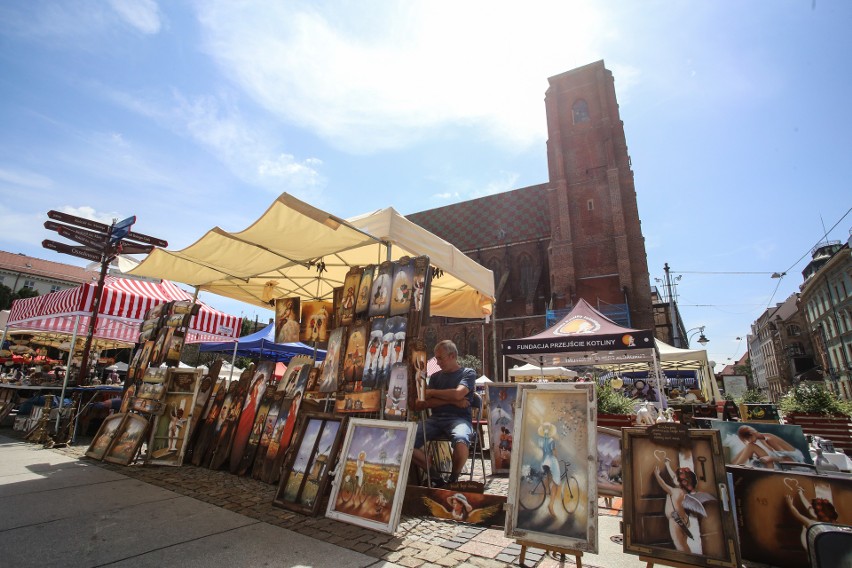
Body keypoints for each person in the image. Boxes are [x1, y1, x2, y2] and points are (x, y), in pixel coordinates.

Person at [411, 340, 475, 486]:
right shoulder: (435, 377)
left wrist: (432, 392)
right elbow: (425, 403)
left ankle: (453, 479)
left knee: (461, 441)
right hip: (435, 420)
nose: (437, 362)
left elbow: (458, 394)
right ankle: (435, 476)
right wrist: (453, 401)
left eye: (440, 358)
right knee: (407, 440)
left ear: (452, 355)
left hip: (459, 419)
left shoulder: (468, 373)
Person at [730, 425, 803, 468]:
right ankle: (732, 466)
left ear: (752, 433)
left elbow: (791, 460)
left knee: (751, 446)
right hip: (782, 464)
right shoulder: (761, 439)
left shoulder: (770, 439)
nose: (749, 441)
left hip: (797, 464)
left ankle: (735, 468)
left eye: (748, 439)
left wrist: (771, 458)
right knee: (749, 447)